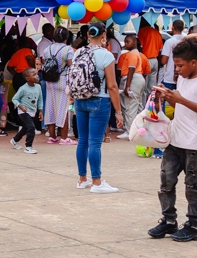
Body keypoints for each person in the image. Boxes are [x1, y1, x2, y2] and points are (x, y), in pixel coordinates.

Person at [149, 37, 197, 242]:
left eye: (180, 66)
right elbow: (181, 108)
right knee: (166, 181)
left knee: (193, 184)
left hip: (194, 142)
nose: (177, 70)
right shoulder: (183, 79)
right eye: (175, 65)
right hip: (176, 138)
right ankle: (169, 220)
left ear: (193, 63)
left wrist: (180, 99)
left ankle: (194, 225)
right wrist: (168, 98)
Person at [68, 24, 123, 193]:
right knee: (95, 144)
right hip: (100, 100)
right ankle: (97, 182)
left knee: (82, 141)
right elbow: (112, 86)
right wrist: (119, 112)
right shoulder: (106, 55)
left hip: (80, 100)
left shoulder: (78, 53)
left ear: (87, 34)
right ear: (104, 35)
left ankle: (82, 179)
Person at [39, 28, 74, 143]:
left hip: (50, 81)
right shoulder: (68, 49)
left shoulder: (47, 48)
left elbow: (44, 62)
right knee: (63, 109)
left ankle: (52, 137)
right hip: (63, 80)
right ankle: (64, 138)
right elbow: (70, 64)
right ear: (66, 37)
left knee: (50, 107)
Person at [118, 32, 150, 132]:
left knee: (130, 106)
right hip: (139, 78)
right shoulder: (138, 54)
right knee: (138, 105)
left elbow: (131, 69)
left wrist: (127, 86)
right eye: (125, 42)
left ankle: (129, 131)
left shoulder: (132, 54)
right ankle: (140, 128)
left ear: (135, 42)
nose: (126, 44)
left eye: (128, 42)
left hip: (133, 78)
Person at [8, 68, 41, 153]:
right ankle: (28, 146)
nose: (37, 76)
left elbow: (40, 100)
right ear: (27, 78)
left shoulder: (38, 87)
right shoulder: (23, 88)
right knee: (31, 127)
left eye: (37, 74)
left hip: (33, 111)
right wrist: (21, 106)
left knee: (25, 128)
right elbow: (14, 99)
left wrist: (40, 111)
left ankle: (15, 140)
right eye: (34, 75)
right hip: (23, 112)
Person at [137, 18, 164, 97]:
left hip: (145, 60)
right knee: (152, 87)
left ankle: (144, 106)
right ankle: (150, 104)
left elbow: (140, 48)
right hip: (155, 61)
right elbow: (160, 51)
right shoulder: (157, 33)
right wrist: (158, 66)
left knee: (143, 86)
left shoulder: (142, 31)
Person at [158, 20, 186, 90]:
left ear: (172, 28)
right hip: (184, 76)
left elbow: (164, 61)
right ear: (182, 29)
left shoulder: (169, 42)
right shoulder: (186, 41)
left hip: (170, 77)